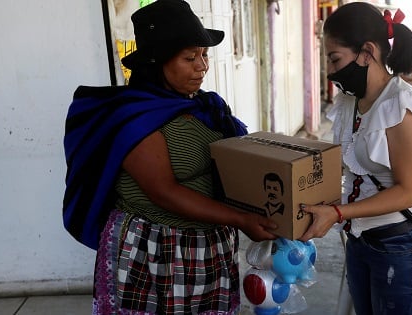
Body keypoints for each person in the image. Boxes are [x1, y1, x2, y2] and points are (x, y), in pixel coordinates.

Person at [62, 1, 277, 314]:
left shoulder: (204, 107)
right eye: (190, 58)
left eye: (204, 55)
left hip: (207, 248)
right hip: (156, 252)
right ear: (156, 63)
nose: (202, 66)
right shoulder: (135, 118)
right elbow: (164, 192)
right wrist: (241, 219)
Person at [298, 3, 412, 315]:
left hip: (403, 249)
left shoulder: (404, 107)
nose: (330, 70)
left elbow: (410, 192)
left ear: (367, 52)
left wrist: (338, 211)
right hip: (361, 240)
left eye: (335, 58)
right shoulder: (350, 102)